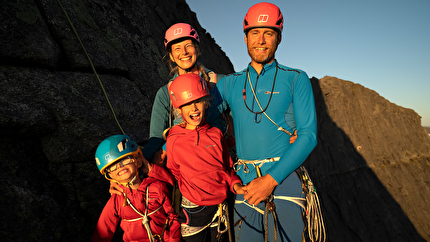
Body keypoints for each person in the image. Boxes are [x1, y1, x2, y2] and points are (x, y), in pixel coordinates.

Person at [211, 2, 318, 242]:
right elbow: (196, 119)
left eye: (268, 33)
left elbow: (308, 136)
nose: (261, 40)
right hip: (246, 182)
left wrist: (269, 181)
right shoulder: (229, 84)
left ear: (278, 39)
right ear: (246, 38)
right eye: (255, 33)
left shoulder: (295, 79)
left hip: (284, 178)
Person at [164, 73, 246, 242]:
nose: (193, 108)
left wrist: (235, 184)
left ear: (206, 103)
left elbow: (226, 167)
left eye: (197, 101)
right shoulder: (174, 139)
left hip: (219, 208)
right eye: (186, 104)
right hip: (193, 210)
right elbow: (174, 169)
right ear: (178, 109)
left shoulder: (216, 134)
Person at [141, 22, 232, 167]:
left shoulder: (221, 83)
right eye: (177, 48)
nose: (184, 52)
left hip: (220, 166)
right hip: (184, 172)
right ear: (171, 55)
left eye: (188, 45)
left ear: (197, 48)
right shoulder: (165, 94)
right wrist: (138, 166)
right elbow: (156, 138)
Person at [92, 134, 181, 242]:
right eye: (112, 166)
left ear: (138, 162)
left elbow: (173, 215)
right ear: (109, 176)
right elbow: (103, 231)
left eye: (124, 160)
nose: (119, 166)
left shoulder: (157, 187)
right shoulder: (117, 200)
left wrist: (172, 239)